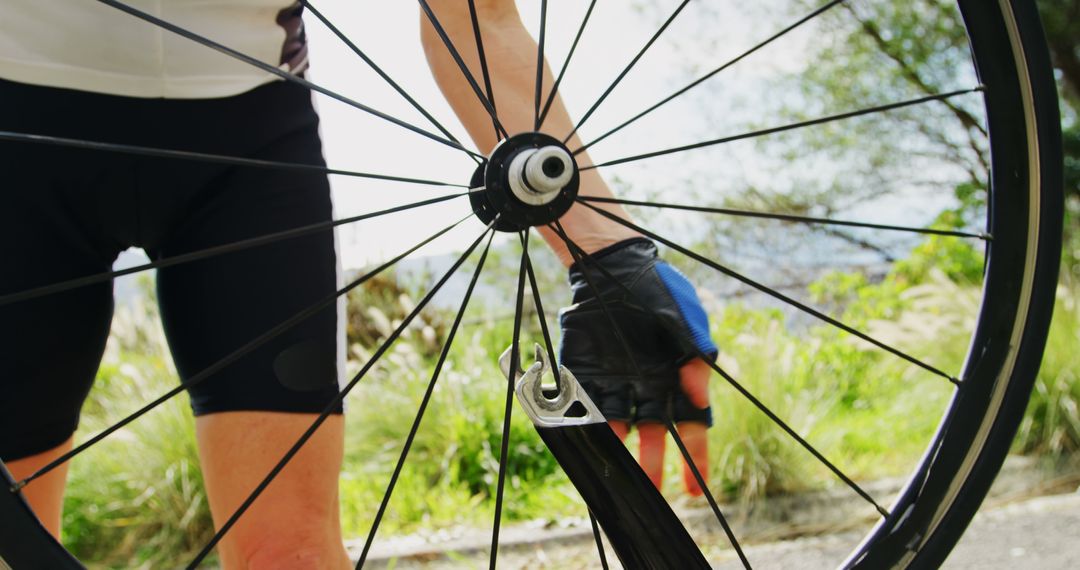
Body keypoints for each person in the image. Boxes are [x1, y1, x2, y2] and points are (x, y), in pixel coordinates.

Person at [0, 1, 715, 567]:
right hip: (15, 132)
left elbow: (478, 12)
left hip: (246, 140)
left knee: (295, 559)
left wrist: (608, 257)